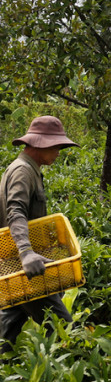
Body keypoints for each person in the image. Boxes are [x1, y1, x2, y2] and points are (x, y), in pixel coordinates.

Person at [0, 116, 79, 352]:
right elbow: (16, 212)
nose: (58, 152)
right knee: (63, 328)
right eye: (55, 146)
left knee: (9, 326)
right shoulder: (23, 172)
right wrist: (26, 252)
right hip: (24, 267)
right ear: (39, 144)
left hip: (15, 266)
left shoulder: (29, 170)